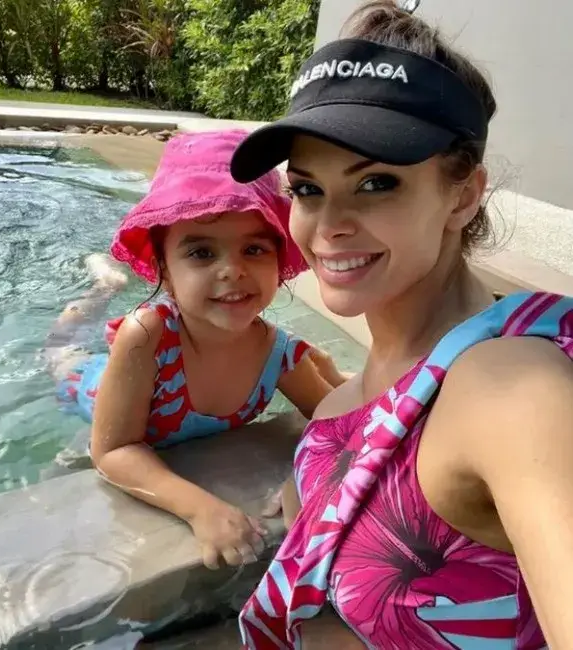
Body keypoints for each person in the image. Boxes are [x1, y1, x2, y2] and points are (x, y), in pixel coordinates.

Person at [229, 2, 573, 649]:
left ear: (462, 195)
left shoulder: (511, 389)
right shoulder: (343, 412)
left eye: (376, 183)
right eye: (307, 189)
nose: (329, 224)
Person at [45, 129, 348, 572]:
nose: (232, 270)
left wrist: (306, 473)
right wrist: (200, 508)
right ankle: (102, 288)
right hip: (89, 382)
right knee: (61, 347)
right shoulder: (146, 335)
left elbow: (344, 424)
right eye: (202, 253)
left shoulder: (277, 353)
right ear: (164, 270)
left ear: (279, 262)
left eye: (254, 249)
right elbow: (112, 451)